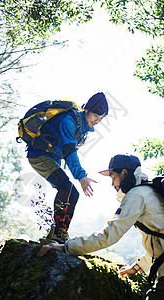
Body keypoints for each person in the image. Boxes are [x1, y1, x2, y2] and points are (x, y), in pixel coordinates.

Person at [39, 154, 164, 300]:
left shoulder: (137, 194)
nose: (112, 184)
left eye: (113, 177)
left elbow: (109, 236)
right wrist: (139, 267)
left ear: (124, 173)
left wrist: (67, 247)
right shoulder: (155, 193)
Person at [27, 92, 108, 243]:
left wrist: (80, 176)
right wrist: (81, 176)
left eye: (101, 118)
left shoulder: (82, 128)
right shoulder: (69, 121)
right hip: (39, 155)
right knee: (66, 187)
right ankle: (57, 233)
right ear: (87, 109)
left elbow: (68, 151)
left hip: (50, 157)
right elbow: (69, 150)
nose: (97, 120)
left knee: (73, 193)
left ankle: (60, 232)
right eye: (96, 115)